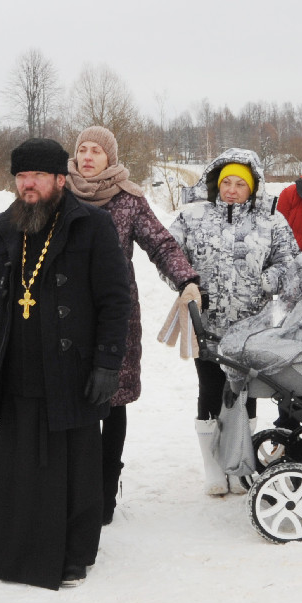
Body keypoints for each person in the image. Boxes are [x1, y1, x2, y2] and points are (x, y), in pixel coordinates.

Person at [0, 138, 131, 589]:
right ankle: (6, 550)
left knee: (75, 465)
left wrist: (106, 364)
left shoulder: (91, 225)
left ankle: (73, 555)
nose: (27, 185)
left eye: (36, 176)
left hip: (72, 371)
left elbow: (116, 301)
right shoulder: (3, 228)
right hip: (17, 369)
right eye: (20, 177)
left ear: (61, 179)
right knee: (17, 463)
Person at [66, 126, 199, 524]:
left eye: (96, 152)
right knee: (72, 400)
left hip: (115, 315)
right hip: (67, 316)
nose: (88, 157)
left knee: (113, 399)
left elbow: (160, 243)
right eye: (82, 150)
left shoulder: (129, 200)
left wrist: (186, 280)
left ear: (111, 158)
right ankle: (73, 487)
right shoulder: (60, 195)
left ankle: (106, 491)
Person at [169, 148, 297, 495]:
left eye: (241, 183)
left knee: (244, 392)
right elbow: (170, 256)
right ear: (216, 184)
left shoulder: (272, 221)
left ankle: (240, 461)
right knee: (210, 389)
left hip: (251, 325)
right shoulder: (192, 217)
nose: (232, 189)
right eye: (227, 182)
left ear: (253, 186)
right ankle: (213, 468)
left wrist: (265, 283)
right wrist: (187, 285)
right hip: (204, 321)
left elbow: (289, 261)